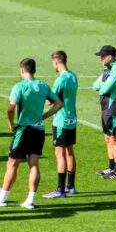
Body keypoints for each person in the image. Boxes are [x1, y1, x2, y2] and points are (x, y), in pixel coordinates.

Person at [0, 58, 63, 209]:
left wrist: (11, 124)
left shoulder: (20, 86)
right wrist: (44, 116)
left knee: (12, 163)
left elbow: (10, 108)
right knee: (33, 164)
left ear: (22, 71)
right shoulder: (43, 86)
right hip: (39, 130)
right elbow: (59, 103)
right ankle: (30, 200)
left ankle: (1, 199)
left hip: (23, 130)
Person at [43, 51, 79, 198]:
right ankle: (70, 186)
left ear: (56, 62)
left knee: (60, 153)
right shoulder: (73, 76)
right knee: (69, 151)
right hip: (72, 119)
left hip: (61, 121)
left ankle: (60, 190)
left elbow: (49, 101)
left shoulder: (60, 80)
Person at [92, 45, 116, 179]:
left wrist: (102, 86)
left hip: (114, 107)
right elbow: (95, 85)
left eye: (103, 56)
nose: (100, 58)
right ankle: (110, 168)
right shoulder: (107, 69)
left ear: (110, 57)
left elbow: (104, 89)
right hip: (105, 107)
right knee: (107, 138)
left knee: (114, 138)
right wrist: (101, 86)